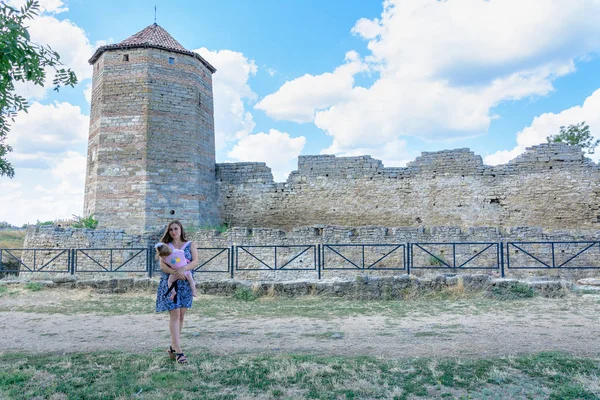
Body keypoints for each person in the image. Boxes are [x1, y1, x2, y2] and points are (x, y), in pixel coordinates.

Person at [155, 220, 199, 364]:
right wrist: (176, 272)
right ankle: (179, 351)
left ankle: (173, 347)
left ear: (181, 229)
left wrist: (183, 270)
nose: (174, 232)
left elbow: (195, 262)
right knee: (174, 315)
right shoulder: (166, 247)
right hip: (171, 283)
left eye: (176, 229)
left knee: (181, 317)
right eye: (171, 230)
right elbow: (162, 265)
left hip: (185, 283)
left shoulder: (190, 244)